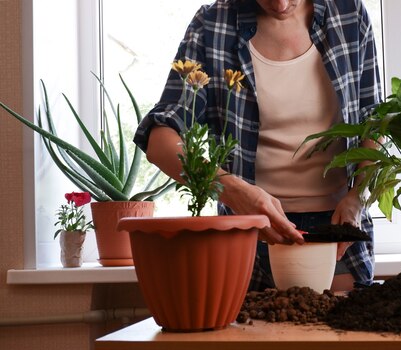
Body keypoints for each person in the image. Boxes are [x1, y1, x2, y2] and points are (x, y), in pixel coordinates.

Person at [133, 0, 382, 291]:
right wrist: (233, 191)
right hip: (246, 229)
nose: (280, 4)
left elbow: (374, 124)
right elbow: (160, 142)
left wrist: (358, 196)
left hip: (336, 230)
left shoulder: (349, 14)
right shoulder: (213, 24)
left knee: (337, 330)